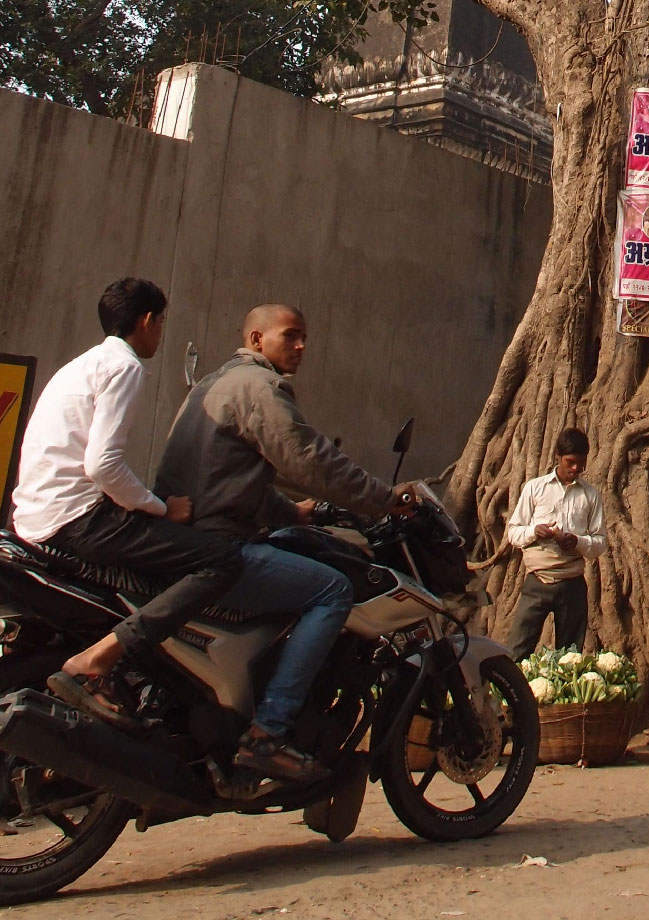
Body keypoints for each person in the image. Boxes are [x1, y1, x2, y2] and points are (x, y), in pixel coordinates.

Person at [158, 303, 414, 783]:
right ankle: (268, 732)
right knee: (333, 590)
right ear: (257, 339)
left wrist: (290, 512)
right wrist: (383, 499)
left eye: (303, 337)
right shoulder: (261, 387)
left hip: (182, 540)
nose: (300, 347)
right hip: (218, 548)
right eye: (289, 335)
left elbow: (228, 477)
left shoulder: (211, 385)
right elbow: (309, 460)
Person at [10, 278, 243, 725]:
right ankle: (108, 655)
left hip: (35, 518)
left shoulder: (80, 365)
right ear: (147, 321)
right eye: (163, 322)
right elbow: (102, 464)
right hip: (79, 519)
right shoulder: (126, 367)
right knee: (223, 561)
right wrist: (161, 507)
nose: (161, 331)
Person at [506, 428, 606, 657]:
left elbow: (600, 543)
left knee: (569, 657)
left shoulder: (590, 496)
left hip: (572, 584)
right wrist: (535, 531)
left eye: (581, 464)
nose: (575, 469)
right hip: (537, 582)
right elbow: (513, 533)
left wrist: (577, 541)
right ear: (557, 456)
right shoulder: (535, 488)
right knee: (517, 650)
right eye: (570, 462)